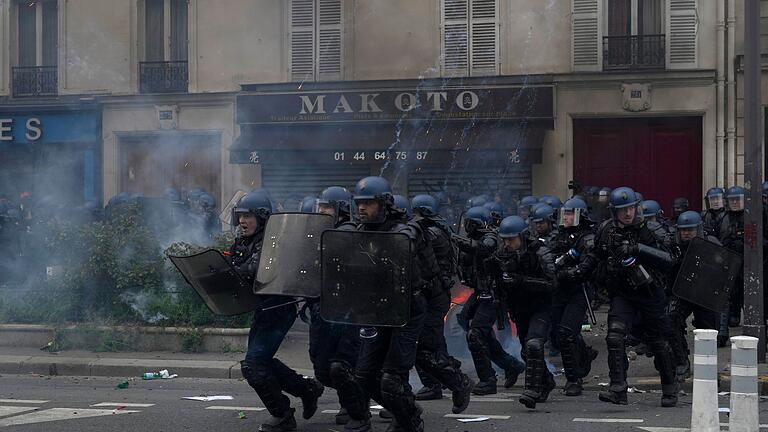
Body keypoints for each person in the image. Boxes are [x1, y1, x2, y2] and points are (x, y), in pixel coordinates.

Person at [343, 176, 430, 432]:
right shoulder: (360, 231)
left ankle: (409, 422)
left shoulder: (404, 228)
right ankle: (406, 410)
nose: (361, 208)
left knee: (392, 379)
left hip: (406, 310)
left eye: (368, 203)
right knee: (364, 375)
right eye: (359, 203)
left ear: (384, 204)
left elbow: (408, 236)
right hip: (376, 309)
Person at [233, 191, 324, 432]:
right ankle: (307, 389)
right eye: (240, 215)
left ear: (262, 218)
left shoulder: (273, 241)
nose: (242, 221)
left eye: (248, 216)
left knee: (253, 365)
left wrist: (232, 270)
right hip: (263, 308)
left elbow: (256, 270)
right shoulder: (244, 240)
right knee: (260, 362)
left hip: (278, 309)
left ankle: (283, 414)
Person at [588, 187, 679, 407]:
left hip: (650, 293)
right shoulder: (606, 230)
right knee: (614, 336)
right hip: (623, 293)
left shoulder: (651, 228)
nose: (628, 213)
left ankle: (669, 388)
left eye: (631, 208)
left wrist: (638, 248)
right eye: (622, 210)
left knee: (659, 341)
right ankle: (618, 389)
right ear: (614, 212)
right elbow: (593, 258)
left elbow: (670, 259)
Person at [410, 194, 473, 414]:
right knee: (430, 343)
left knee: (426, 345)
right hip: (430, 294)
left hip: (432, 295)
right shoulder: (436, 229)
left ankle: (448, 380)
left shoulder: (431, 234)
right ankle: (440, 380)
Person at [485, 215, 556, 409]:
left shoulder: (539, 252)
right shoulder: (502, 253)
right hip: (519, 308)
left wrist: (521, 281)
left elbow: (551, 283)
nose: (508, 243)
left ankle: (531, 391)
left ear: (522, 236)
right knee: (527, 351)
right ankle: (547, 380)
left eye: (512, 239)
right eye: (505, 239)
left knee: (534, 345)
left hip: (541, 307)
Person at [455, 206, 525, 396]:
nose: (465, 226)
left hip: (493, 294)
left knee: (476, 335)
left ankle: (488, 379)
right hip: (480, 292)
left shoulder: (491, 238)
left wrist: (453, 238)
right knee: (470, 326)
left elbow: (483, 248)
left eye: (468, 222)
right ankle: (511, 365)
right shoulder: (474, 239)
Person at [306, 186, 360, 426]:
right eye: (320, 206)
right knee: (320, 362)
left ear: (341, 209)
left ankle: (352, 406)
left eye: (326, 207)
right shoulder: (319, 231)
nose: (321, 211)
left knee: (343, 362)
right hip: (322, 308)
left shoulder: (347, 231)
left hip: (345, 310)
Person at [550, 198, 599, 396]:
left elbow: (586, 267)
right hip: (558, 290)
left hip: (579, 291)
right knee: (556, 335)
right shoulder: (559, 235)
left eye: (570, 214)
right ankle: (584, 354)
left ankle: (574, 379)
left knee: (566, 333)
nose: (566, 217)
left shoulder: (587, 238)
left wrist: (565, 273)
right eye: (565, 213)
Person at [667, 211, 722, 381]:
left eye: (690, 229)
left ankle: (709, 368)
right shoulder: (673, 246)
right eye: (683, 230)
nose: (686, 233)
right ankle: (681, 361)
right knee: (671, 319)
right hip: (683, 292)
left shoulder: (711, 244)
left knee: (708, 331)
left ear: (698, 229)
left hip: (705, 294)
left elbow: (723, 270)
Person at [719, 186, 746, 328]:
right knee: (730, 293)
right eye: (732, 200)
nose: (735, 202)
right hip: (729, 261)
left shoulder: (750, 215)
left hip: (747, 263)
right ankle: (729, 322)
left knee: (747, 294)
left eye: (738, 199)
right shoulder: (724, 218)